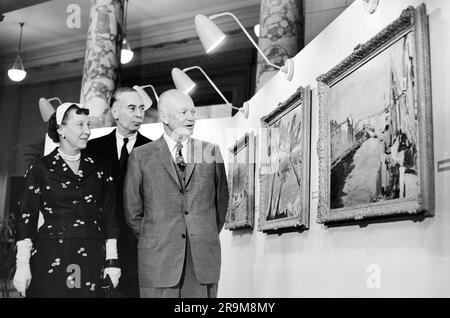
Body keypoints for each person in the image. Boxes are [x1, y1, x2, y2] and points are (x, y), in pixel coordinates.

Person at [124, 89, 229, 298]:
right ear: (164, 117)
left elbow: (221, 206)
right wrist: (156, 236)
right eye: (183, 112)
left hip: (201, 263)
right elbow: (132, 213)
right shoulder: (141, 156)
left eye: (193, 111)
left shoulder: (210, 152)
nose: (191, 117)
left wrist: (199, 233)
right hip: (158, 263)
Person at [13, 103, 121, 298]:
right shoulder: (41, 168)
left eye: (88, 125)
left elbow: (110, 215)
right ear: (61, 129)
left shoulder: (99, 168)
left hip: (93, 253)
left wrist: (112, 261)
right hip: (51, 253)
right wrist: (22, 265)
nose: (87, 131)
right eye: (80, 125)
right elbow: (26, 217)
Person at [87, 87, 152, 298]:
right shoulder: (92, 149)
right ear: (115, 112)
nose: (139, 114)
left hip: (139, 245)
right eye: (132, 108)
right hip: (100, 242)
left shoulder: (154, 150)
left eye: (141, 108)